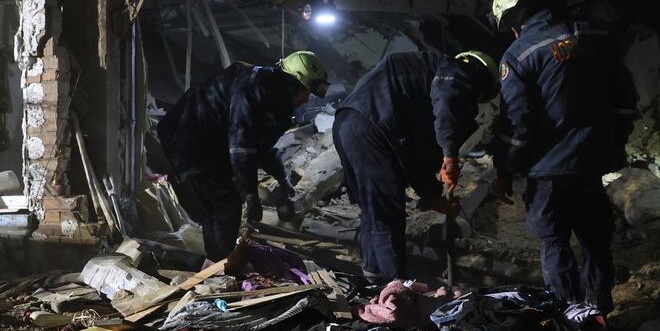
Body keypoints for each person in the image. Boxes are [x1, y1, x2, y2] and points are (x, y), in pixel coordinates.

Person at [488, 0, 636, 314]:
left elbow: (517, 124)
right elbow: (625, 98)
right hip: (591, 163)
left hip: (548, 170)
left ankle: (569, 317)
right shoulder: (596, 35)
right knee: (595, 241)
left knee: (554, 242)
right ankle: (600, 312)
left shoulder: (519, 53)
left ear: (513, 19)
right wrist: (613, 141)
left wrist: (504, 169)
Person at [333, 50, 496, 284]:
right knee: (388, 215)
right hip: (372, 128)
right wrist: (450, 155)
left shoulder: (420, 83)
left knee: (374, 208)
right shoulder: (457, 71)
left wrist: (432, 196)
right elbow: (448, 99)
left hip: (349, 124)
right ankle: (398, 291)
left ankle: (373, 277)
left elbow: (419, 153)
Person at [157, 51, 329, 260]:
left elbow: (263, 148)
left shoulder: (277, 101)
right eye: (306, 92)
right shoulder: (252, 89)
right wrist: (251, 195)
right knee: (225, 205)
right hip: (188, 139)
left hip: (212, 142)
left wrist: (282, 180)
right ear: (294, 83)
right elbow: (241, 146)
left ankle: (217, 260)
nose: (306, 100)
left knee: (223, 201)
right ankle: (220, 268)